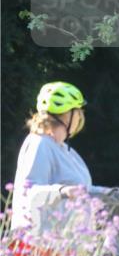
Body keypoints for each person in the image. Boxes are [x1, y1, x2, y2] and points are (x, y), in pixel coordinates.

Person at [12, 82, 93, 230]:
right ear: (68, 115)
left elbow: (84, 190)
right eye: (78, 111)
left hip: (66, 245)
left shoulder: (69, 153)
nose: (81, 117)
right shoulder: (39, 143)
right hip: (37, 245)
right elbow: (29, 191)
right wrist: (62, 191)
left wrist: (109, 193)